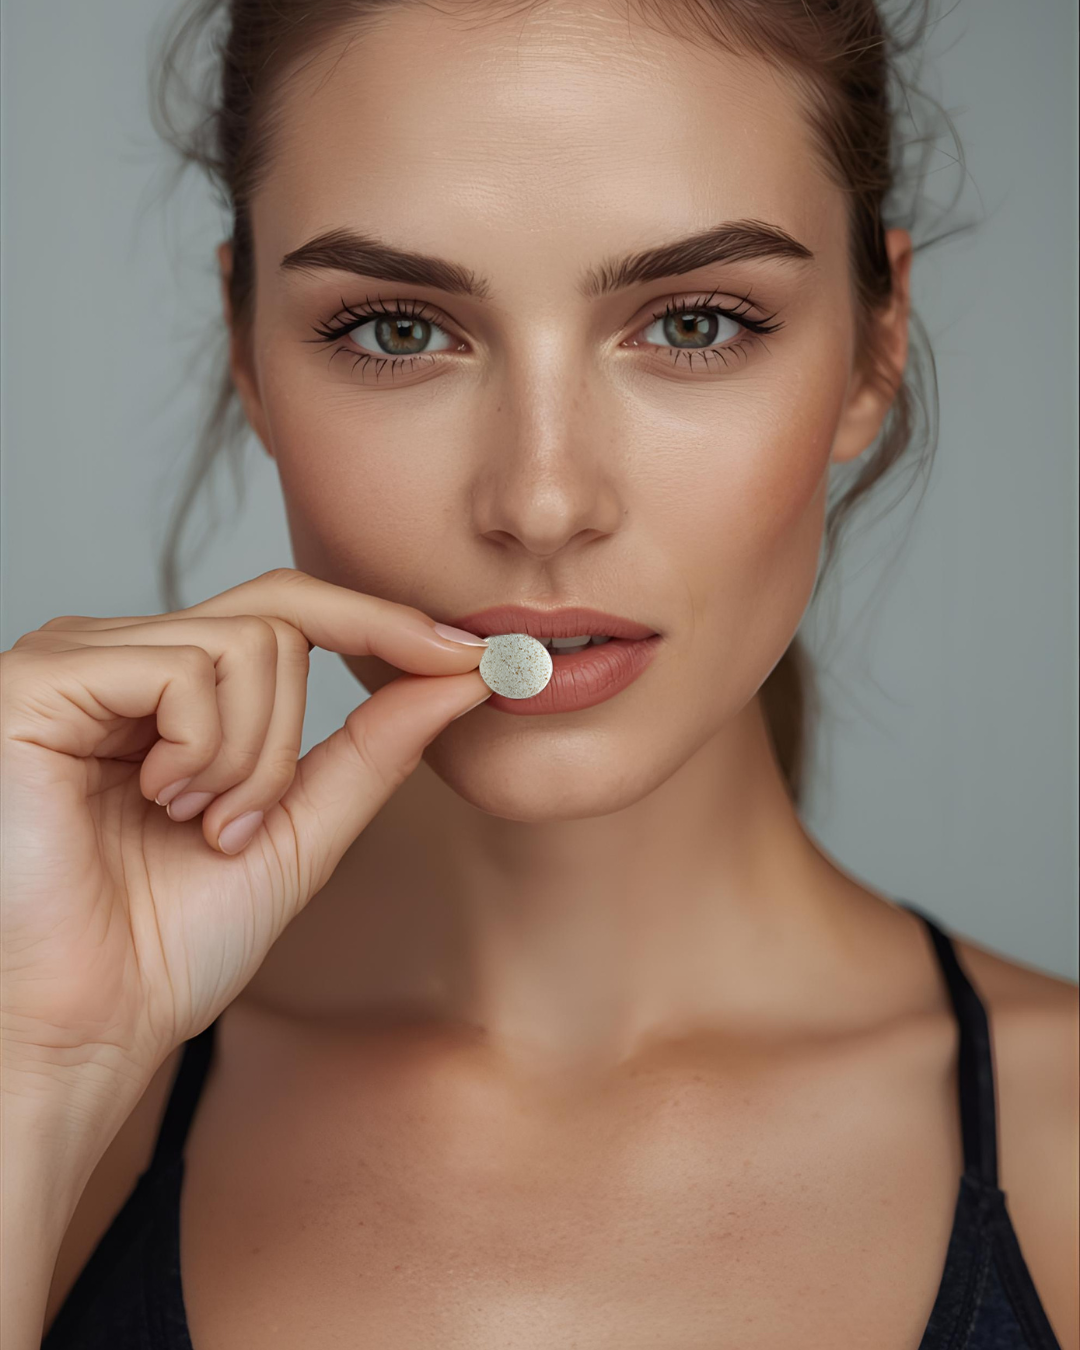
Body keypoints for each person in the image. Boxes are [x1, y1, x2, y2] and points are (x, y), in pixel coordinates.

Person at [2, 0, 1076, 1346]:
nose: (544, 497)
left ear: (873, 342)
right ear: (247, 349)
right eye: (398, 331)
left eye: (693, 323)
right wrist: (36, 1069)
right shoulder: (53, 1088)